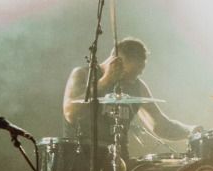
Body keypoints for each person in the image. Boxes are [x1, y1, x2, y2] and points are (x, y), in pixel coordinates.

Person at [61, 37, 196, 148]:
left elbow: (159, 125)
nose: (132, 80)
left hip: (118, 158)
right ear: (116, 61)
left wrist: (189, 131)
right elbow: (70, 113)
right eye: (130, 74)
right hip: (82, 156)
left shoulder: (138, 85)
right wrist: (105, 82)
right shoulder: (83, 74)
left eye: (137, 74)